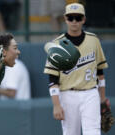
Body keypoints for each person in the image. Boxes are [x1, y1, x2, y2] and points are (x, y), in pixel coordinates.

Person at [44, 3, 108, 135]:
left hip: (90, 93)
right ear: (65, 19)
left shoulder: (94, 40)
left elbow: (100, 73)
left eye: (78, 18)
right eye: (70, 17)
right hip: (67, 94)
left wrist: (102, 99)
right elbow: (52, 78)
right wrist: (56, 104)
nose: (74, 21)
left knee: (93, 132)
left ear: (84, 19)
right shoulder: (57, 43)